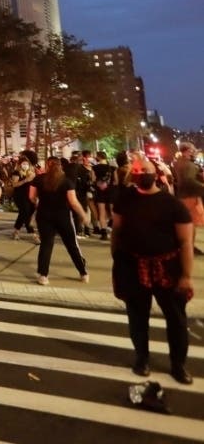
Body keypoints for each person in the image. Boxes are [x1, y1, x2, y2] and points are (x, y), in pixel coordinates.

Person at [111, 154, 195, 384]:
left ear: (156, 175)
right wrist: (117, 260)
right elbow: (117, 230)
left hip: (167, 268)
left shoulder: (173, 204)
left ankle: (178, 365)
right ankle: (142, 359)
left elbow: (186, 242)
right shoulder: (125, 200)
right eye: (137, 172)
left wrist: (186, 275)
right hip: (133, 266)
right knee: (137, 318)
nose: (142, 175)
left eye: (145, 171)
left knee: (176, 320)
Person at [30, 157, 89, 285]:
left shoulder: (38, 179)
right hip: (63, 216)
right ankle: (83, 272)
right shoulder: (66, 181)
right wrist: (83, 214)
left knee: (46, 244)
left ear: (47, 165)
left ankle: (43, 275)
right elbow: (73, 202)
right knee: (72, 245)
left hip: (44, 215)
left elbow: (31, 196)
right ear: (60, 166)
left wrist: (38, 203)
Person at [172, 143, 204, 255]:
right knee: (191, 223)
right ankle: (189, 247)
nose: (194, 151)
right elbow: (189, 180)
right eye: (192, 149)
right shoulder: (188, 165)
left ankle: (189, 245)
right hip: (190, 196)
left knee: (189, 223)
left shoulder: (179, 162)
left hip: (184, 195)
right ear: (187, 150)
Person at [11, 151, 40, 244]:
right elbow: (14, 184)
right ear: (20, 164)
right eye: (23, 164)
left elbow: (35, 185)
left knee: (26, 213)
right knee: (25, 212)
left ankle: (16, 230)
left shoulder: (32, 173)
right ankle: (33, 234)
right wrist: (26, 180)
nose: (25, 165)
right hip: (20, 196)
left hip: (30, 195)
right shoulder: (16, 173)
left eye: (27, 164)